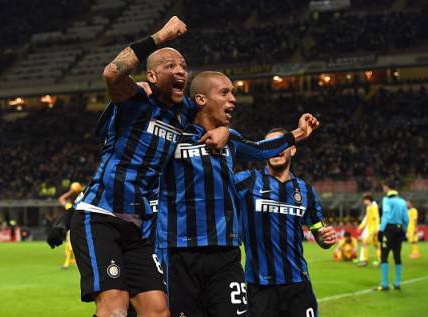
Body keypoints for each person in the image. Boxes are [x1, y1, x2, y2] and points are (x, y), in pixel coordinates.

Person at [67, 17, 229, 317]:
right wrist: (160, 36)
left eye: (182, 65)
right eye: (170, 65)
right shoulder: (138, 100)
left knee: (157, 310)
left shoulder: (184, 111)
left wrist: (225, 131)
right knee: (114, 307)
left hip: (136, 227)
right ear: (152, 76)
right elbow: (112, 73)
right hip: (100, 215)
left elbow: (213, 112)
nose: (180, 70)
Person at [156, 71, 319, 317]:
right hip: (180, 253)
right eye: (225, 93)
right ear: (200, 100)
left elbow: (260, 150)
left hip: (226, 253)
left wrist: (298, 133)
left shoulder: (231, 141)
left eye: (233, 92)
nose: (233, 99)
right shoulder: (172, 137)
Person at [234, 128, 337, 317]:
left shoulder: (305, 190)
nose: (276, 150)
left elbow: (318, 230)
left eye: (280, 144)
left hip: (298, 286)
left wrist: (325, 238)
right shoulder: (246, 182)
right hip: (259, 287)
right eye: (270, 146)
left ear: (293, 150)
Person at [375, 183, 409, 291]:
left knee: (384, 255)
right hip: (399, 230)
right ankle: (397, 283)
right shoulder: (403, 201)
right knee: (397, 256)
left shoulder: (387, 200)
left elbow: (385, 214)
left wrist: (380, 230)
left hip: (389, 229)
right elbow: (406, 219)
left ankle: (385, 284)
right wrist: (404, 230)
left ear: (386, 187)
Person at [58, 182, 82, 269]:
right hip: (78, 227)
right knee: (69, 246)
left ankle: (67, 264)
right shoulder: (80, 206)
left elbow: (61, 199)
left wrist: (70, 191)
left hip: (73, 228)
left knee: (70, 246)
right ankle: (72, 261)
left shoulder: (70, 207)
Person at [356, 192, 380, 267]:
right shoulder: (369, 207)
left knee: (364, 242)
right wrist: (361, 226)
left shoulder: (373, 207)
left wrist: (376, 229)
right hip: (371, 228)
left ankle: (364, 261)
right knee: (376, 245)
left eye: (364, 200)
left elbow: (376, 218)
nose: (363, 201)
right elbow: (367, 218)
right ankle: (382, 261)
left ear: (368, 199)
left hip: (372, 229)